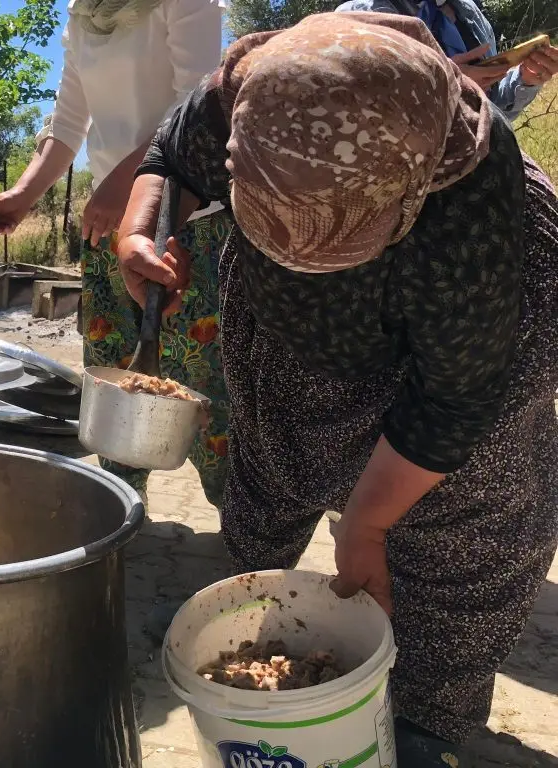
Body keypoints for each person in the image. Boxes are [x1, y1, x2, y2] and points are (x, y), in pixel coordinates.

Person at [117, 12, 558, 765]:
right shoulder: (253, 89)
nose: (300, 250)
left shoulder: (477, 211)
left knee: (462, 522)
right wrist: (144, 230)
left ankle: (428, 715)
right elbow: (171, 160)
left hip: (472, 364)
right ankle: (241, 608)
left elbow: (453, 404)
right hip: (291, 336)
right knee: (274, 453)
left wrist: (366, 529)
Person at [0, 0, 231, 508]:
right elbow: (70, 121)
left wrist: (127, 183)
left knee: (211, 387)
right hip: (109, 230)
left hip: (191, 226)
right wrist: (24, 194)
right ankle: (118, 510)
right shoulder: (83, 13)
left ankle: (243, 532)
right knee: (114, 382)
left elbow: (197, 106)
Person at [336, 0, 558, 121]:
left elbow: (494, 110)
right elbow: (364, 120)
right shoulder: (360, 17)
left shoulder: (469, 12)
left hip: (482, 160)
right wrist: (448, 82)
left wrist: (525, 79)